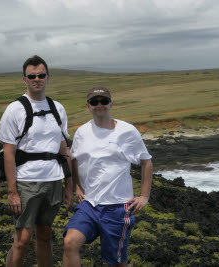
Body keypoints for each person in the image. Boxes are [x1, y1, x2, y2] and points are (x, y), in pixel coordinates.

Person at [0, 55, 73, 267]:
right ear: (24, 79)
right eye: (32, 76)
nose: (36, 79)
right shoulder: (15, 109)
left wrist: (69, 185)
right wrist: (12, 193)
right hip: (26, 182)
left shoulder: (58, 108)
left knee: (45, 235)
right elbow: (8, 154)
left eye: (40, 75)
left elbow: (64, 148)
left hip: (53, 180)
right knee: (22, 240)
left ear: (48, 77)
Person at [63, 86, 153, 267]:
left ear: (111, 104)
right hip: (90, 204)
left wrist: (144, 196)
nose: (99, 105)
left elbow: (146, 161)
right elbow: (74, 159)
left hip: (118, 207)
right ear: (88, 106)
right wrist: (78, 187)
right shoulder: (82, 132)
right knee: (70, 242)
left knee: (115, 262)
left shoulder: (127, 131)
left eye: (103, 101)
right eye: (94, 102)